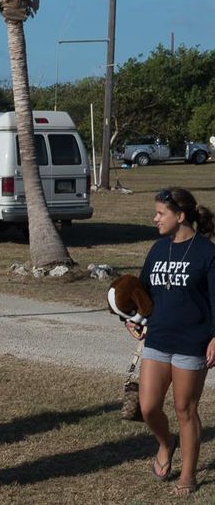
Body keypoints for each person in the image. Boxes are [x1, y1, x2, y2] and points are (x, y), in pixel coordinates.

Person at [133, 187, 215, 497]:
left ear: (180, 216)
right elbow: (142, 293)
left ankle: (188, 475)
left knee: (185, 409)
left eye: (160, 213)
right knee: (148, 406)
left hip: (192, 342)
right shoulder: (157, 249)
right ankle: (166, 443)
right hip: (158, 338)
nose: (155, 218)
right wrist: (132, 317)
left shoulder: (207, 252)